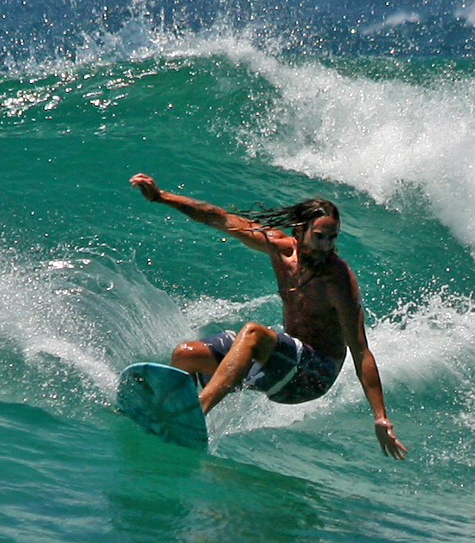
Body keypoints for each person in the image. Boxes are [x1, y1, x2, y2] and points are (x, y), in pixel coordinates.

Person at [129, 173, 408, 460]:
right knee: (185, 354)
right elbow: (220, 218)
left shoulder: (338, 280)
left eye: (332, 238)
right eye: (319, 237)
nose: (326, 246)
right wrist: (162, 197)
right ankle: (170, 419)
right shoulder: (277, 247)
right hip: (283, 365)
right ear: (299, 232)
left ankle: (194, 411)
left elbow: (360, 351)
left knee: (253, 333)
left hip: (313, 376)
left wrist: (380, 417)